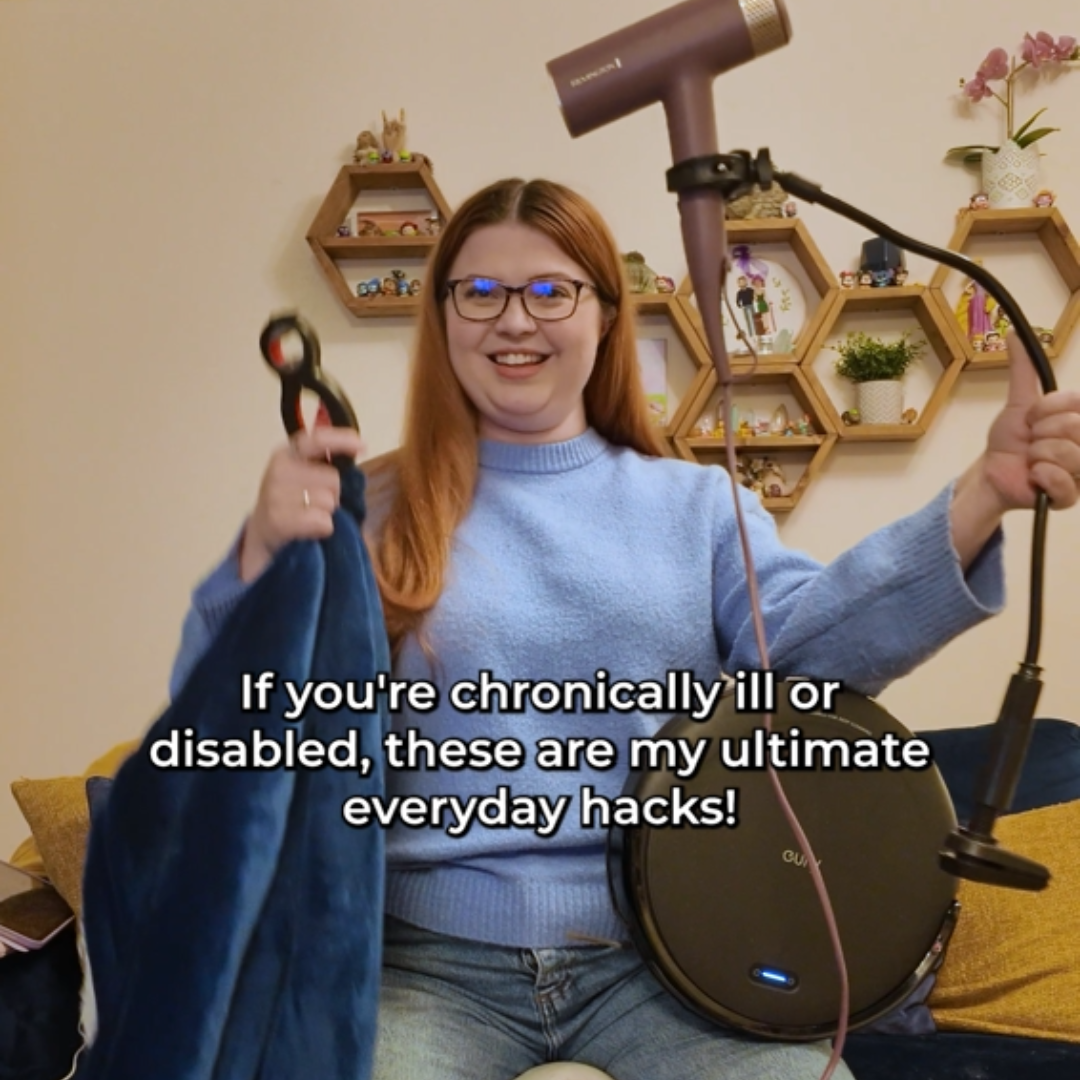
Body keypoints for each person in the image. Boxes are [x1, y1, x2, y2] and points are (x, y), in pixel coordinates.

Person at [169, 178, 1080, 1080]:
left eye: (550, 290)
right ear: (443, 316)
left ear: (604, 313)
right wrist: (258, 554)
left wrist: (981, 497)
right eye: (479, 292)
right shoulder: (368, 506)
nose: (513, 320)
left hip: (671, 967)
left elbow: (812, 656)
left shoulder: (696, 505)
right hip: (423, 970)